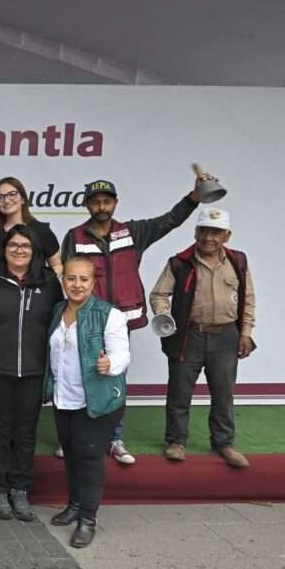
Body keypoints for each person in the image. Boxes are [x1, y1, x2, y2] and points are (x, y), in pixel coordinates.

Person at [59, 175, 215, 465]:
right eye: (96, 202)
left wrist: (194, 197)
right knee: (82, 376)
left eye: (107, 201)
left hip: (120, 322)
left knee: (115, 378)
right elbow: (67, 278)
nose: (102, 206)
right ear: (87, 205)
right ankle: (76, 437)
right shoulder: (75, 236)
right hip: (88, 320)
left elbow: (170, 220)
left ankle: (114, 438)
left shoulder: (134, 232)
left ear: (115, 203)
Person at [149, 208, 255, 469]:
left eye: (216, 232)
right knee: (179, 392)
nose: (209, 237)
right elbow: (158, 294)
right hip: (189, 336)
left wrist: (245, 333)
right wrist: (163, 315)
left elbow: (248, 299)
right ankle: (176, 442)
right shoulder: (179, 262)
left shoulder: (238, 261)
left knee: (223, 394)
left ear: (226, 235)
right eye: (204, 230)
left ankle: (224, 443)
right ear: (196, 232)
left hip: (227, 337)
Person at [44, 256, 130, 548]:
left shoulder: (109, 315)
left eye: (84, 279)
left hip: (97, 401)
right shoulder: (57, 311)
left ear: (93, 283)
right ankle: (75, 505)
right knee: (71, 454)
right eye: (71, 278)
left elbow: (122, 354)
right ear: (63, 280)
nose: (77, 284)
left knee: (89, 458)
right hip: (64, 398)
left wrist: (111, 363)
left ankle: (88, 520)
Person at [0, 225, 63, 522]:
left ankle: (20, 489)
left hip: (34, 371)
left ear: (34, 251)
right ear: (3, 250)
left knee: (26, 434)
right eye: (13, 245)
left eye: (25, 245)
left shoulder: (50, 284)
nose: (19, 250)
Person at [0, 177, 61, 276]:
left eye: (12, 194)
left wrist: (48, 282)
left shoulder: (41, 230)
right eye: (0, 197)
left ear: (23, 199)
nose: (6, 200)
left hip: (35, 285)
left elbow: (57, 265)